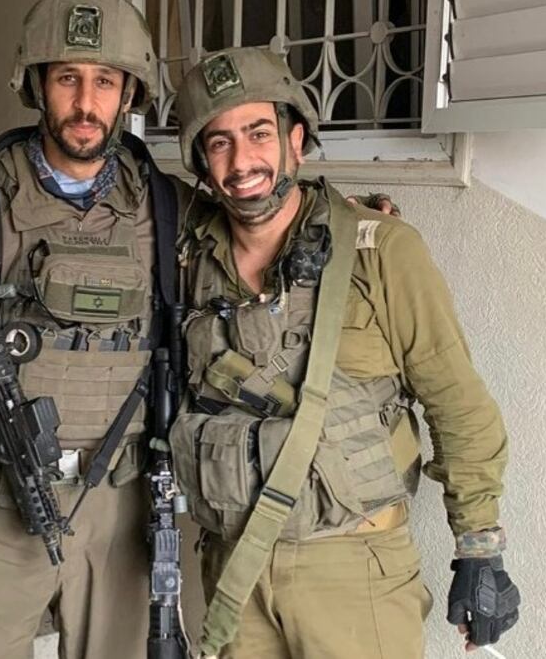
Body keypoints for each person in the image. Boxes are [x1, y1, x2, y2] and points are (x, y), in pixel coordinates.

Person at [0, 0, 398, 657]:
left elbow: (260, 227)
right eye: (67, 78)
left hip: (124, 505)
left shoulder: (166, 208)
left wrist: (344, 217)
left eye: (105, 81)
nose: (86, 103)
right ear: (37, 85)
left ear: (130, 91)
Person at [169, 46, 520, 659]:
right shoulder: (187, 257)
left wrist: (479, 547)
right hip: (233, 568)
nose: (242, 161)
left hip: (353, 569)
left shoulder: (382, 251)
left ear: (295, 141)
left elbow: (457, 403)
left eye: (258, 133)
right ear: (202, 160)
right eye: (219, 142)